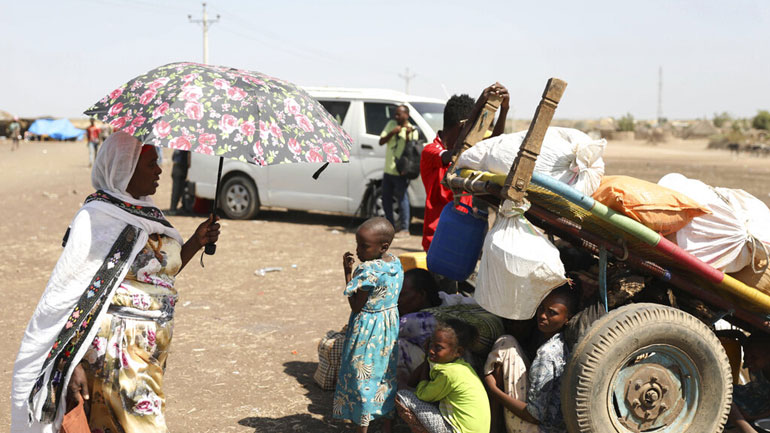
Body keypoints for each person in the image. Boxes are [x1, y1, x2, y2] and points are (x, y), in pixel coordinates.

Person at [11, 131, 221, 433]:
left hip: (147, 354)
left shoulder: (147, 214)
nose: (160, 170)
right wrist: (74, 364)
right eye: (151, 164)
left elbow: (158, 275)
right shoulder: (96, 219)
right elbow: (69, 297)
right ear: (124, 169)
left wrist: (196, 242)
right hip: (114, 354)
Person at [333, 217, 403, 432]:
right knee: (384, 374)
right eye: (358, 244)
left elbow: (355, 306)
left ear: (383, 246)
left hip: (367, 330)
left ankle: (362, 426)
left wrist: (347, 272)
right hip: (389, 328)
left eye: (364, 246)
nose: (358, 251)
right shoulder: (395, 263)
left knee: (361, 376)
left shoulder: (368, 271)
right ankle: (387, 423)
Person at [420, 84, 510, 252]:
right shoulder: (431, 152)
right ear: (463, 127)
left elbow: (492, 144)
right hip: (438, 240)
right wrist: (478, 105)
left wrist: (504, 110)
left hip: (462, 239)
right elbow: (455, 154)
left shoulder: (467, 154)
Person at [483, 285, 577, 433]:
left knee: (504, 343)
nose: (543, 316)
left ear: (567, 319)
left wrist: (494, 390)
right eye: (541, 308)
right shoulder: (562, 341)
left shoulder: (547, 354)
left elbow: (534, 416)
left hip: (535, 428)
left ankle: (494, 428)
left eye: (552, 313)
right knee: (508, 343)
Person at [396, 319, 491, 433]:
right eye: (431, 344)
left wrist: (428, 358)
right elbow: (412, 382)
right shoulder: (462, 367)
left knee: (402, 396)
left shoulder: (448, 373)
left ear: (458, 352)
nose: (431, 350)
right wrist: (428, 358)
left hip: (458, 431)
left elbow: (422, 395)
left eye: (438, 347)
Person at [379, 105, 419, 236]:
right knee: (386, 199)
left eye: (399, 115)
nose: (396, 117)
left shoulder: (413, 130)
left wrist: (407, 135)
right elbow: (381, 141)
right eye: (395, 114)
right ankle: (390, 226)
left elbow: (412, 151)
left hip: (401, 171)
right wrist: (392, 132)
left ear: (406, 115)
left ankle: (405, 228)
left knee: (402, 199)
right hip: (388, 169)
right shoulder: (391, 124)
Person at [728, 334, 770, 432]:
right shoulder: (757, 365)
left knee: (727, 404)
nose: (748, 362)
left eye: (754, 357)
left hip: (763, 407)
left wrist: (750, 417)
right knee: (723, 389)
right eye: (746, 356)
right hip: (748, 393)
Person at [169, 150, 190, 214]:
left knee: (179, 189)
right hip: (179, 168)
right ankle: (173, 209)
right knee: (177, 189)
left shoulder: (179, 147)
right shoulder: (184, 149)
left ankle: (175, 208)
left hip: (177, 167)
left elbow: (173, 158)